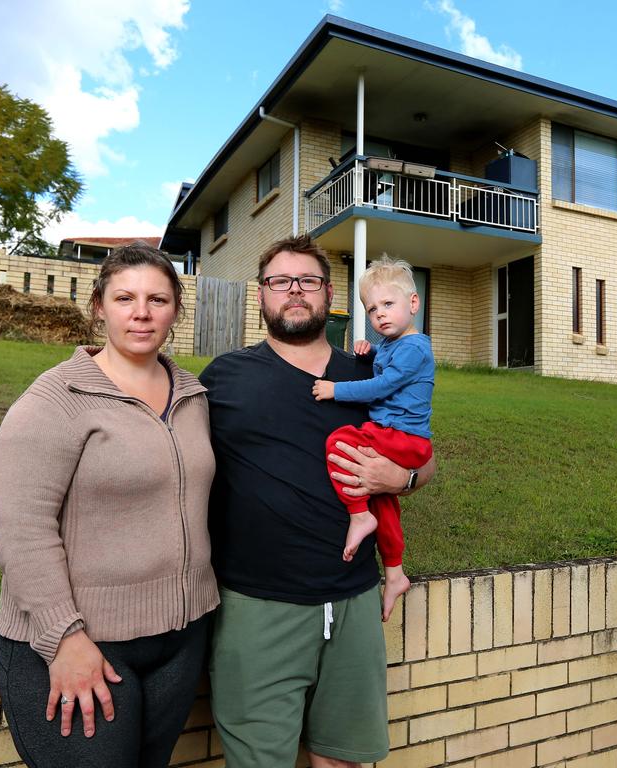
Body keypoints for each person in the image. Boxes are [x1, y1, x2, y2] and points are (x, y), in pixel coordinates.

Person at [200, 234, 435, 768]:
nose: (294, 291)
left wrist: (399, 477)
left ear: (328, 294)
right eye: (280, 281)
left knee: (344, 760)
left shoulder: (368, 374)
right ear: (261, 295)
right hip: (258, 606)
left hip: (353, 601)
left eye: (307, 280)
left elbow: (424, 457)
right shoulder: (224, 378)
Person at [0, 243, 219, 768]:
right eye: (125, 298)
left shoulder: (193, 396)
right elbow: (19, 527)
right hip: (83, 644)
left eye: (157, 299)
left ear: (176, 311)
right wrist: (63, 637)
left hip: (179, 640)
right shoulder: (56, 399)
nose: (142, 312)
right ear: (99, 307)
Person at [311, 255, 434, 623]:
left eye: (388, 305)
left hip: (403, 438)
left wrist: (336, 390)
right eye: (372, 308)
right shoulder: (397, 346)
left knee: (341, 442)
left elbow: (384, 384)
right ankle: (395, 573)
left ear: (413, 304)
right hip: (401, 438)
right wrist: (371, 349)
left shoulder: (415, 347)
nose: (379, 314)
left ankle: (357, 516)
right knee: (384, 503)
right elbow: (386, 362)